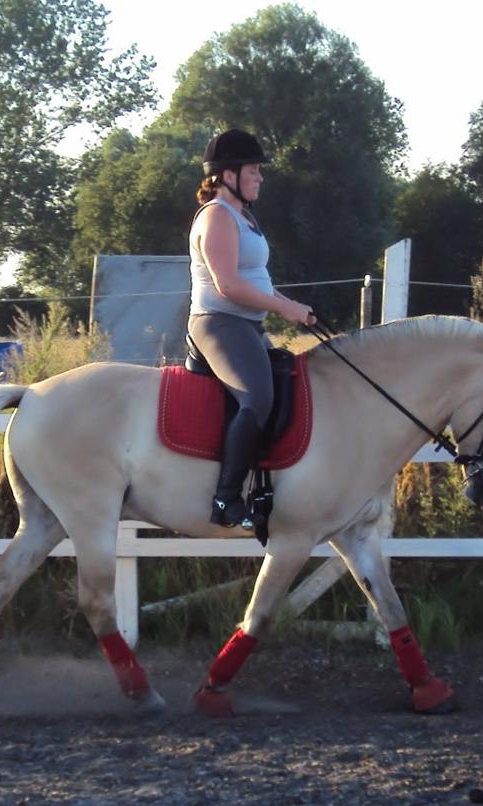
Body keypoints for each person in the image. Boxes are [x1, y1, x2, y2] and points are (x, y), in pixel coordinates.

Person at [188, 128, 316, 529]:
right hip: (218, 323)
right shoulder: (217, 216)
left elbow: (257, 279)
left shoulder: (244, 217)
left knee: (290, 386)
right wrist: (285, 308)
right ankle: (225, 498)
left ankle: (268, 484)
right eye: (254, 170)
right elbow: (227, 285)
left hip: (247, 325)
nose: (260, 177)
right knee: (257, 398)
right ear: (228, 175)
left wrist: (294, 307)